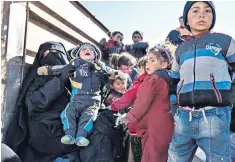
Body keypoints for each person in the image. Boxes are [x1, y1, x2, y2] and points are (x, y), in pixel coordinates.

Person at [168, 1, 235, 161]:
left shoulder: (225, 41)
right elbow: (174, 83)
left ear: (213, 17)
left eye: (207, 11)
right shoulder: (180, 50)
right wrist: (175, 110)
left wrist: (231, 100)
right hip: (184, 117)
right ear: (186, 19)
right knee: (175, 158)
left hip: (216, 116)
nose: (202, 15)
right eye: (195, 11)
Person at [37, 42, 109, 147]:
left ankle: (81, 136)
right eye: (84, 49)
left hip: (92, 101)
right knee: (67, 113)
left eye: (91, 50)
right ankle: (69, 135)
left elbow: (111, 73)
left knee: (88, 117)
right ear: (78, 54)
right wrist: (48, 69)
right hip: (76, 99)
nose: (88, 50)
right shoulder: (76, 64)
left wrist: (109, 72)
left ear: (95, 56)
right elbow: (61, 69)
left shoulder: (99, 66)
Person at [120, 45, 174, 162]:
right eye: (147, 60)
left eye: (152, 60)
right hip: (168, 123)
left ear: (164, 64)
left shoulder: (153, 79)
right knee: (161, 156)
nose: (147, 64)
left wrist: (129, 117)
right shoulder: (170, 78)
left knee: (151, 157)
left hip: (155, 126)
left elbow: (142, 102)